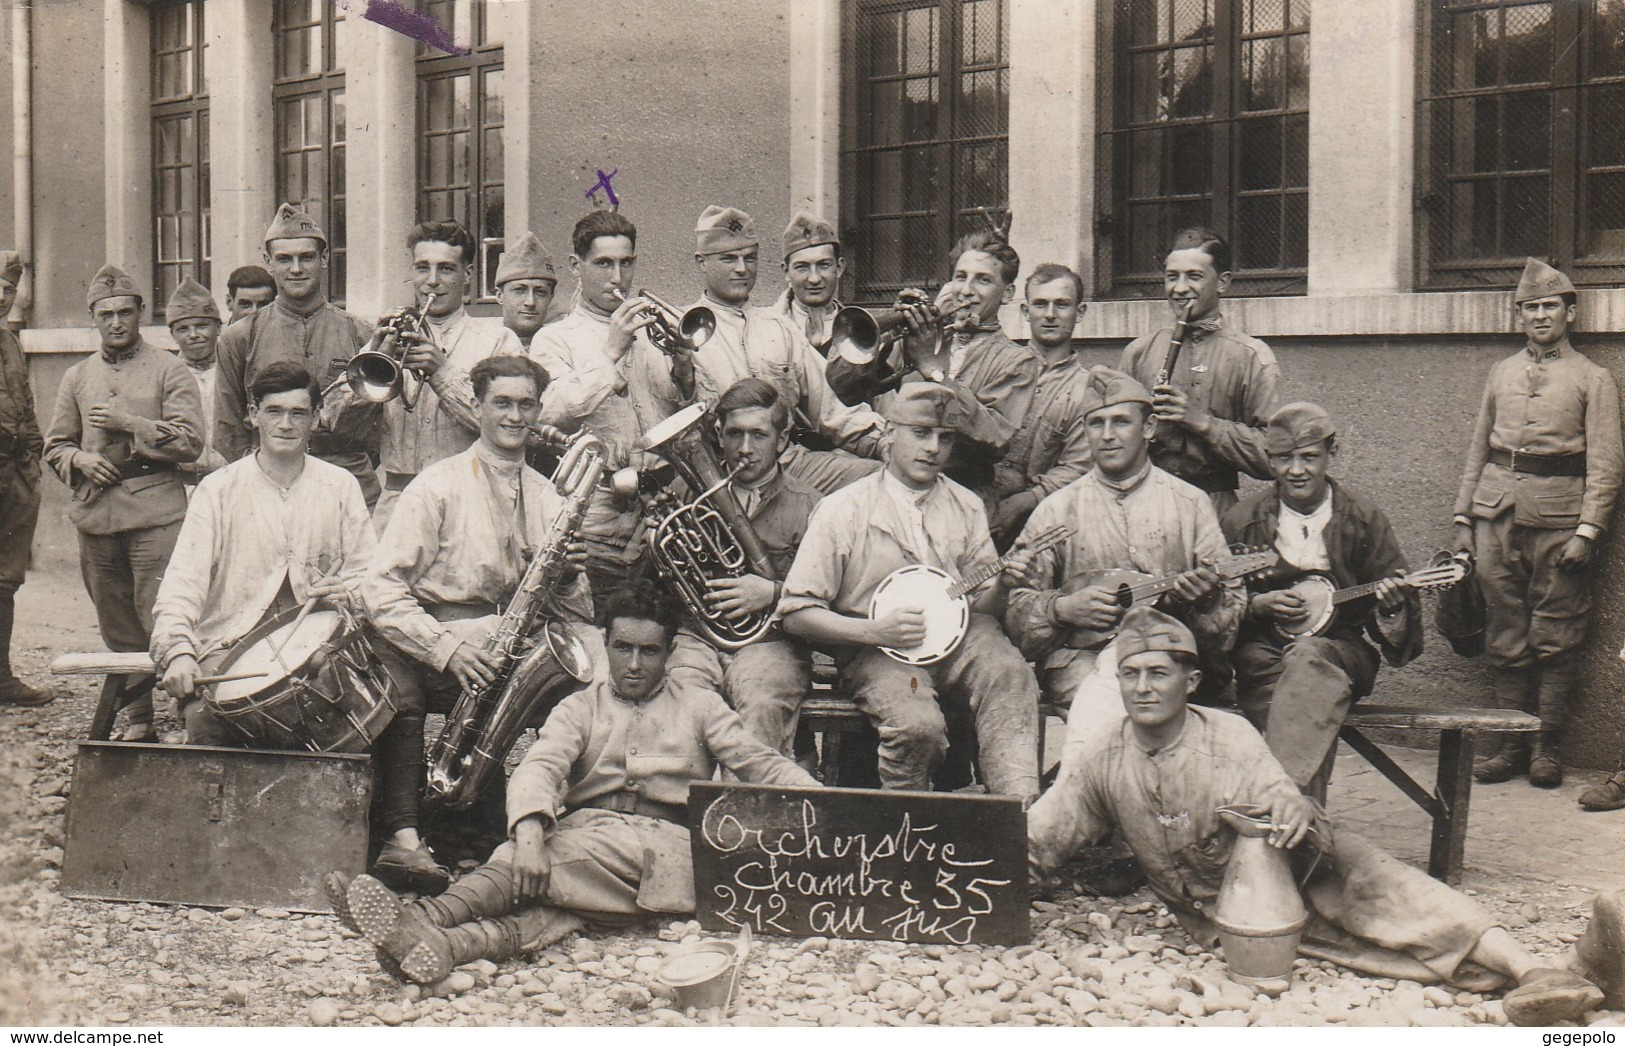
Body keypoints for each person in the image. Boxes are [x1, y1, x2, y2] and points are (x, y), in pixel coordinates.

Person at [1026, 604, 1622, 1028]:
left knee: (1381, 885)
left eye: (1158, 673)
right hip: (1227, 917)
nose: (1143, 688)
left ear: (1191, 680)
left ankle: (1534, 971)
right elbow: (1039, 840)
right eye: (1130, 674)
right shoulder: (1102, 759)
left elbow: (1282, 795)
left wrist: (1289, 804)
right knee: (1373, 951)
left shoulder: (1228, 735)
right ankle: (1573, 976)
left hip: (1296, 866)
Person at [326, 588, 819, 986]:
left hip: (667, 853)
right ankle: (448, 947)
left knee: (542, 861)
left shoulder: (701, 705)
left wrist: (834, 805)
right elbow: (540, 766)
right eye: (622, 648)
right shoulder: (580, 707)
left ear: (669, 654)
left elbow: (762, 766)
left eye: (649, 652)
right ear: (606, 645)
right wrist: (531, 835)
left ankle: (426, 917)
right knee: (548, 909)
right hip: (596, 858)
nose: (633, 664)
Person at [147, 362, 420, 848]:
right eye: (274, 412)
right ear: (253, 415)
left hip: (325, 644)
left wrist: (350, 593)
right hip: (231, 646)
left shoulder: (338, 485)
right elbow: (181, 585)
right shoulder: (219, 489)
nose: (287, 424)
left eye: (299, 412)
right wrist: (179, 650)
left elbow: (369, 575)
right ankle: (227, 845)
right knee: (207, 719)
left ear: (317, 417)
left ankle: (398, 838)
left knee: (400, 697)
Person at [362, 354, 599, 892]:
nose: (515, 416)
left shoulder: (549, 494)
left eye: (526, 404)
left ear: (538, 410)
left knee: (583, 695)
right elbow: (380, 587)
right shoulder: (435, 484)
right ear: (477, 406)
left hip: (508, 646)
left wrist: (567, 578)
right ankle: (403, 838)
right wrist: (445, 649)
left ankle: (545, 825)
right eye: (502, 403)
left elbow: (576, 613)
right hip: (433, 640)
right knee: (401, 696)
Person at [779, 382, 1041, 800]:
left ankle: (1018, 816)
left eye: (945, 437)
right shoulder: (842, 509)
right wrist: (874, 632)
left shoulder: (966, 504)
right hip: (877, 651)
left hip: (961, 639)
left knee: (1011, 675)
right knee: (917, 727)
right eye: (921, 433)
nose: (934, 448)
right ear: (889, 434)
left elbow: (983, 602)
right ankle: (907, 829)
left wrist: (1004, 586)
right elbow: (796, 613)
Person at [1454, 258, 1623, 789]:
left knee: (1557, 631)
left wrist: (1588, 531)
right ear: (1520, 315)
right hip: (1495, 514)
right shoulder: (1501, 373)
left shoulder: (1592, 378)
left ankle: (1547, 748)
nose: (1540, 315)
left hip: (1559, 520)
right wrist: (1463, 517)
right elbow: (1479, 447)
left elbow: (1607, 464)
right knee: (1506, 631)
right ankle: (1511, 744)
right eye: (1531, 307)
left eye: (1550, 305)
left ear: (1570, 313)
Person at [1004, 367, 1240, 725]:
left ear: (1148, 428)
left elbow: (1232, 610)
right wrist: (1061, 609)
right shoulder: (1057, 508)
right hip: (1082, 660)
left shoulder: (1189, 502)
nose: (1108, 435)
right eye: (1096, 423)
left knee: (1152, 699)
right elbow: (1016, 607)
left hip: (1170, 656)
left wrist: (1207, 601)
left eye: (1120, 422)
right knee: (1106, 709)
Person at [1221, 403, 1421, 795]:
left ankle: (1280, 803)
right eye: (1283, 458)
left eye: (1309, 457)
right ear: (1269, 460)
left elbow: (1402, 631)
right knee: (1292, 684)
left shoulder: (1362, 518)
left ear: (1332, 453)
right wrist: (1256, 605)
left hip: (1340, 652)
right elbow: (1216, 603)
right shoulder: (1243, 519)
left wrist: (1392, 606)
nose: (1296, 470)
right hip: (1264, 655)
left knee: (1309, 659)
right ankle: (1302, 816)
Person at [43, 265, 202, 740]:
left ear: (140, 313)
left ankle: (190, 718)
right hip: (96, 514)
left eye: (125, 313)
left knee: (164, 614)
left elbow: (191, 442)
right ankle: (139, 720)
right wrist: (80, 461)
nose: (116, 323)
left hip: (156, 511)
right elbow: (55, 445)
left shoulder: (169, 367)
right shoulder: (77, 376)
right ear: (93, 318)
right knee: (115, 622)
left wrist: (130, 422)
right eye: (106, 314)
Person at [529, 210, 690, 603]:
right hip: (598, 515)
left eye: (626, 263)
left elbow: (689, 411)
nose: (617, 278)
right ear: (575, 266)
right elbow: (548, 412)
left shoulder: (655, 329)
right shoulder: (554, 339)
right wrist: (609, 354)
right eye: (603, 264)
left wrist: (686, 371)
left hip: (666, 508)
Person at [663, 378, 822, 755]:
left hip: (772, 643)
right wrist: (659, 543)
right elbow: (654, 583)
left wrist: (773, 591)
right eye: (734, 434)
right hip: (697, 636)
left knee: (761, 704)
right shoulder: (686, 491)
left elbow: (830, 596)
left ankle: (744, 808)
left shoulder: (811, 505)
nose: (744, 449)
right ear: (718, 435)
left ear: (782, 441)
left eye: (759, 435)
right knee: (677, 696)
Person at [686, 205, 883, 496]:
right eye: (729, 259)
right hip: (720, 473)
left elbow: (833, 410)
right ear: (702, 262)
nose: (742, 269)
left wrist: (890, 442)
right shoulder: (680, 329)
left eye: (750, 258)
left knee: (882, 479)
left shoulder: (779, 328)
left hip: (789, 464)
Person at [214, 204, 382, 506]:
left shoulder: (359, 333)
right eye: (284, 259)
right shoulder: (239, 337)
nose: (296, 269)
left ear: (324, 258)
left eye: (306, 257)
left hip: (350, 486)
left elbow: (380, 426)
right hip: (269, 488)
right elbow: (228, 430)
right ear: (268, 262)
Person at [371, 220, 525, 532]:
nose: (431, 281)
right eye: (422, 268)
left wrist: (442, 373)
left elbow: (507, 424)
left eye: (446, 269)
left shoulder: (499, 340)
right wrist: (375, 358)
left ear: (467, 275)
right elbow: (337, 423)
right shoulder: (389, 335)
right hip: (396, 506)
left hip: (470, 502)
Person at [870, 228, 1041, 511]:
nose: (966, 290)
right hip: (896, 489)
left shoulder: (1018, 360)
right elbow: (854, 391)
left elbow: (995, 438)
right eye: (960, 277)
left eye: (983, 280)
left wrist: (934, 372)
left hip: (962, 498)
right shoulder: (926, 338)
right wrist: (890, 335)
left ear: (1008, 293)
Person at [1119, 227, 1281, 515]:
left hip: (1214, 508)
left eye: (1193, 276)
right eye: (1172, 277)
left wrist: (1202, 423)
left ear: (1222, 282)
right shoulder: (1139, 352)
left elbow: (1274, 457)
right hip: (1145, 505)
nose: (1179, 289)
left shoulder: (1252, 356)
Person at [990, 262, 1093, 547]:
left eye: (1062, 305)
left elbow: (1078, 467)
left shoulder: (1087, 389)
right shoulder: (998, 365)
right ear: (1025, 311)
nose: (1050, 315)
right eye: (1040, 304)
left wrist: (1027, 500)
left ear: (1079, 312)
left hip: (1038, 527)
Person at [0, 250, 49, 706]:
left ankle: (1, 679)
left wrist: (32, 458)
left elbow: (26, 405)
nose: (2, 295)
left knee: (5, 579)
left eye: (9, 288)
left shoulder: (10, 340)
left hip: (13, 475)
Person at [166, 277, 228, 488]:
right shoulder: (165, 376)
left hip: (232, 482)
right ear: (172, 334)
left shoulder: (235, 371)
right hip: (183, 486)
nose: (193, 335)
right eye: (183, 329)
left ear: (218, 328)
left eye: (202, 326)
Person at [771, 211, 847, 357]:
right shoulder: (765, 328)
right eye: (802, 267)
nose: (814, 279)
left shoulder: (860, 327)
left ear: (839, 268)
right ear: (786, 272)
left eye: (823, 265)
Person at [495, 232, 558, 349]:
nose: (530, 302)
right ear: (499, 295)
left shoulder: (560, 345)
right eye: (520, 290)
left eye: (540, 292)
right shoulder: (482, 345)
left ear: (551, 296)